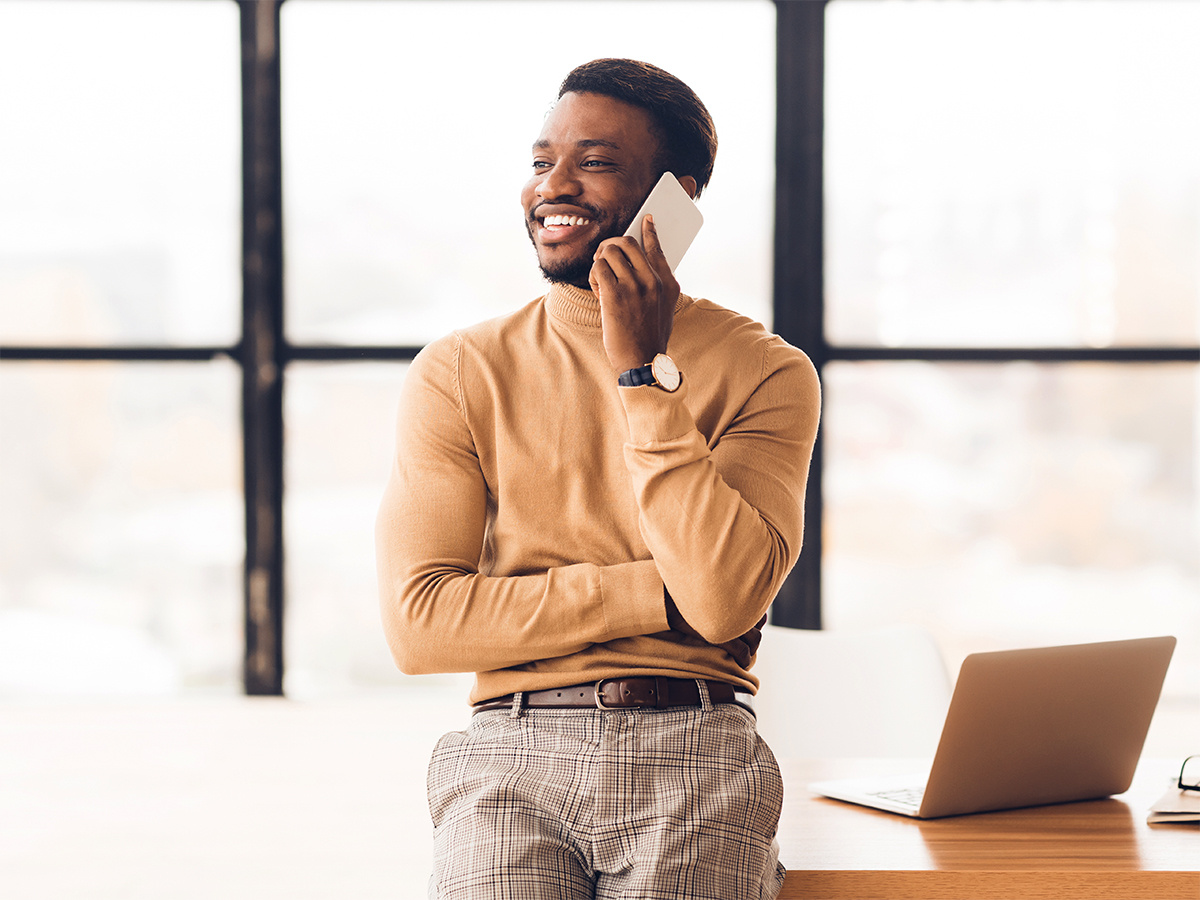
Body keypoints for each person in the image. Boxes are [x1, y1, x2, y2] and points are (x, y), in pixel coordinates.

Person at [376, 58, 821, 900]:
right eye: (543, 162)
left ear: (676, 197)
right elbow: (421, 624)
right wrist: (662, 596)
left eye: (596, 161)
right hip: (509, 751)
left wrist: (642, 373)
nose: (554, 186)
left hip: (696, 747)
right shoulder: (460, 370)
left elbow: (723, 600)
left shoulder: (768, 372)